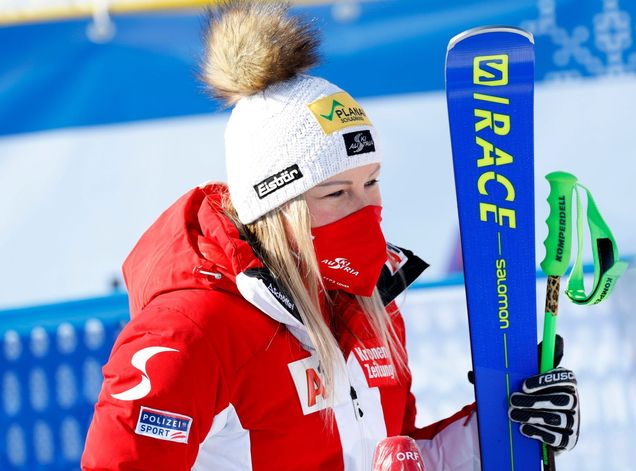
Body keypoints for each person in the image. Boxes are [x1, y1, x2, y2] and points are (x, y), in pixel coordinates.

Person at [81, 3, 579, 470]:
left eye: (371, 182)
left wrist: (501, 429)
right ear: (276, 207)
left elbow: (395, 452)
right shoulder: (191, 332)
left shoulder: (368, 305)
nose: (366, 210)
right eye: (337, 192)